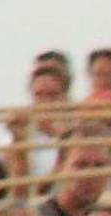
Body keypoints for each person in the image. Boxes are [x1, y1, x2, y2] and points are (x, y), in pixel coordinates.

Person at [5, 54, 75, 191]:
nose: (45, 103)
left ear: (65, 96)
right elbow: (22, 191)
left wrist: (66, 142)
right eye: (39, 95)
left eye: (52, 95)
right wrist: (19, 144)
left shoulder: (80, 131)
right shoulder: (18, 134)